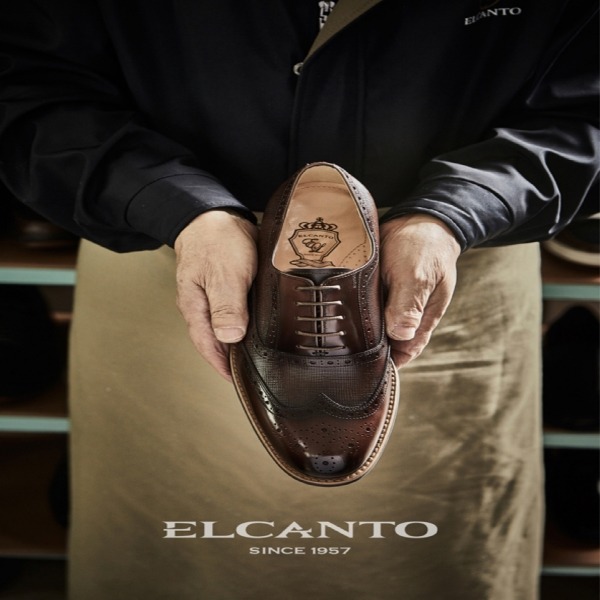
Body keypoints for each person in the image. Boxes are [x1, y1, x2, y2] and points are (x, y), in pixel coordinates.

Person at [0, 1, 597, 598]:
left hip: (443, 257)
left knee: (429, 565)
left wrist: (460, 209)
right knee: (178, 562)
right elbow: (25, 77)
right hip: (173, 248)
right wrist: (169, 201)